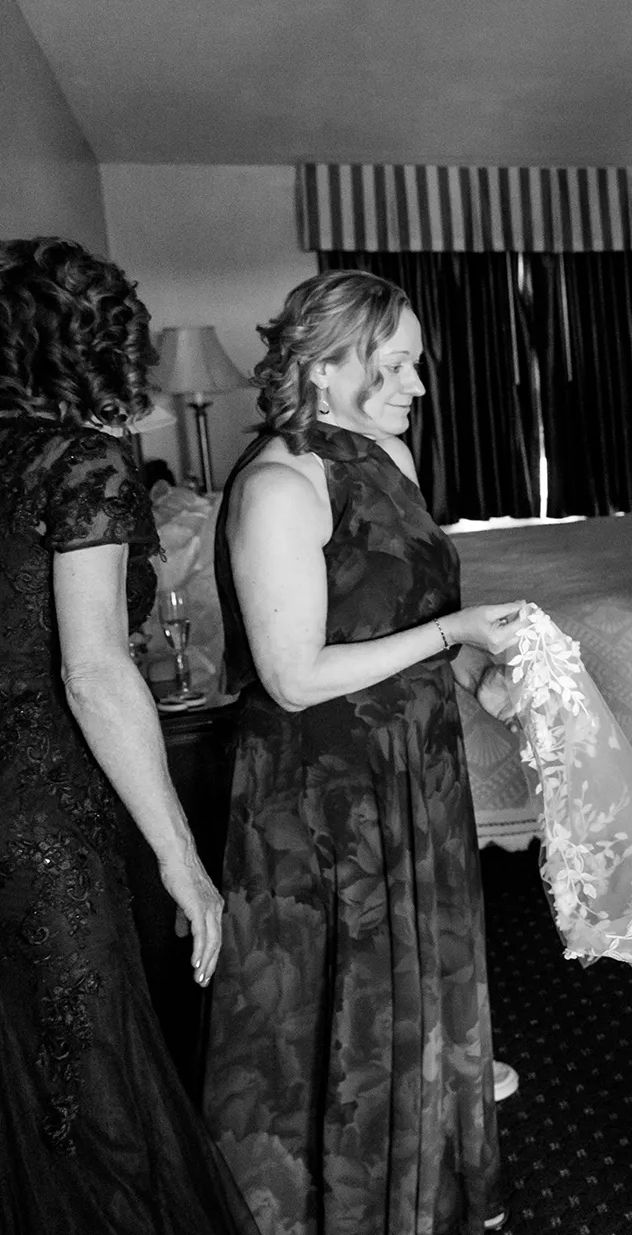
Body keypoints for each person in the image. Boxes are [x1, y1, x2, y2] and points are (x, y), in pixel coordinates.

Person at [201, 270, 526, 1234]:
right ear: (314, 360)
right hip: (325, 790)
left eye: (415, 365)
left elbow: (414, 613)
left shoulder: (389, 454)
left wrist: (479, 678)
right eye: (391, 366)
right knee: (336, 1007)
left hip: (416, 767)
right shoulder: (277, 485)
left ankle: (426, 1192)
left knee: (423, 987)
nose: (416, 386)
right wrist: (454, 633)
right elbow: (294, 675)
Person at [0, 237, 256, 1233]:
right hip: (40, 824)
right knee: (90, 1103)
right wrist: (181, 855)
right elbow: (95, 668)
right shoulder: (77, 461)